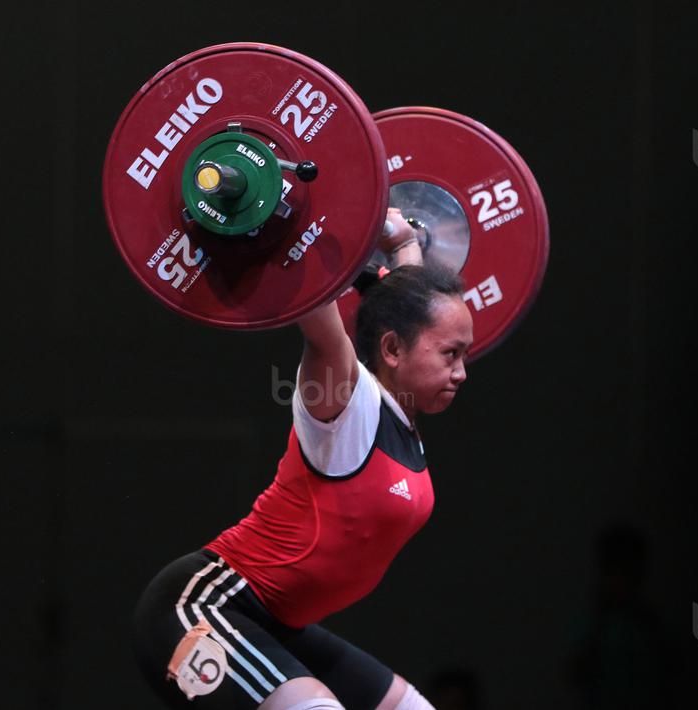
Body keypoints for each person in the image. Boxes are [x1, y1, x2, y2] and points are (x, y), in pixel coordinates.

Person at [132, 208, 473, 710]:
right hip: (202, 605)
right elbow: (314, 307)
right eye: (451, 354)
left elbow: (407, 304)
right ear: (393, 350)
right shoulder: (346, 398)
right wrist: (284, 215)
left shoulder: (401, 420)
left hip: (277, 624)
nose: (462, 372)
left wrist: (401, 242)